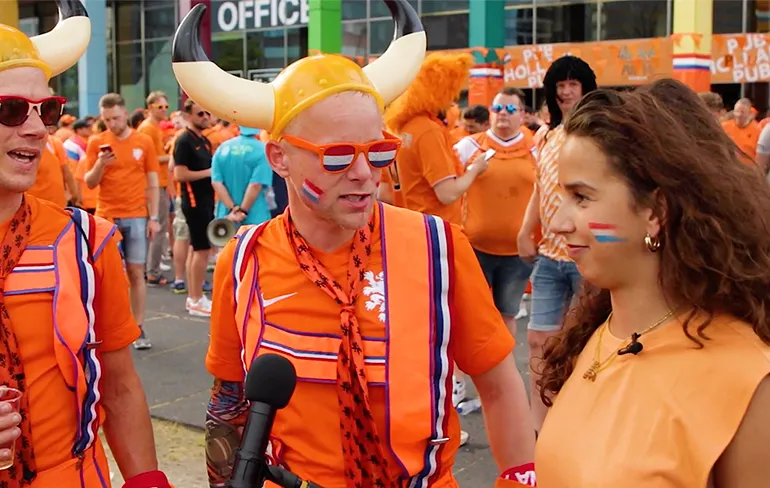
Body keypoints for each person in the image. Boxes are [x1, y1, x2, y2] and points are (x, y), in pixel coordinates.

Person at [170, 1, 536, 488]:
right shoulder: (244, 260)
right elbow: (230, 397)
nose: (365, 175)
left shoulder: (438, 248)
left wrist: (520, 477)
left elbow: (497, 381)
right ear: (279, 157)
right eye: (337, 156)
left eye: (378, 151)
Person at [535, 80, 770, 486]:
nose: (558, 223)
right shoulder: (593, 334)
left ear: (655, 210)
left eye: (582, 197)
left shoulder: (746, 377)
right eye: (563, 196)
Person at [0, 1, 171, 486]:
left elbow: (118, 386)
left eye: (47, 110)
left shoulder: (84, 240)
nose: (36, 128)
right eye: (11, 109)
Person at [516, 55, 596, 432]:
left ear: (586, 87)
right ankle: (539, 431)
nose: (565, 91)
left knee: (588, 346)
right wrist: (524, 229)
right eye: (560, 85)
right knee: (537, 342)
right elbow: (539, 187)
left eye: (573, 84)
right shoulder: (545, 135)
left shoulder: (598, 132)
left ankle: (581, 426)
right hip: (549, 256)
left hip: (588, 255)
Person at [453, 87, 537, 335]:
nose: (503, 113)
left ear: (522, 115)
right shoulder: (469, 146)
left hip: (517, 253)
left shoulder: (536, 148)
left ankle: (505, 370)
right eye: (498, 108)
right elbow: (445, 185)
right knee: (469, 316)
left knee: (507, 316)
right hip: (474, 248)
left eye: (510, 109)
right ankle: (460, 374)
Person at [84, 93, 161, 351]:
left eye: (116, 118)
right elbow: (90, 182)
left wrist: (154, 217)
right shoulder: (97, 142)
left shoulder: (144, 141)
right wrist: (100, 165)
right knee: (106, 275)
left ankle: (138, 326)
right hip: (106, 216)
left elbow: (152, 181)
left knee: (136, 272)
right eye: (107, 119)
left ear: (125, 114)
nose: (112, 124)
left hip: (137, 215)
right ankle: (110, 326)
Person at [172, 99, 214, 317]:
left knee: (196, 250)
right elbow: (178, 174)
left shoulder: (204, 140)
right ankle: (196, 298)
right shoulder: (184, 141)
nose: (205, 117)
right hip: (193, 201)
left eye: (207, 113)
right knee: (201, 249)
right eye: (200, 114)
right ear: (188, 116)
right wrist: (209, 173)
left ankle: (194, 295)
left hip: (205, 200)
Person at [211, 126, 274, 227]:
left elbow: (216, 182)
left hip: (226, 217)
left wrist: (233, 209)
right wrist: (242, 211)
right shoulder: (262, 150)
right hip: (255, 217)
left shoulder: (222, 148)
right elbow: (256, 184)